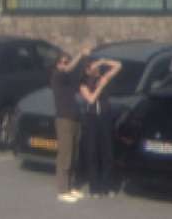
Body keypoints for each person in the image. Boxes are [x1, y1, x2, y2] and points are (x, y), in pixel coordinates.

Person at [78, 52, 122, 199]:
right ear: (87, 70)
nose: (96, 70)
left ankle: (107, 185)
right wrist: (100, 88)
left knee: (107, 151)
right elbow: (90, 100)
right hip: (91, 118)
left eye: (97, 68)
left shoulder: (102, 77)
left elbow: (118, 66)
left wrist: (104, 61)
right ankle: (94, 187)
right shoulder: (84, 84)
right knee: (92, 152)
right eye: (93, 67)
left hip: (104, 116)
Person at [49, 48, 87, 202]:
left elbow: (77, 72)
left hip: (75, 118)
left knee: (74, 155)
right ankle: (62, 190)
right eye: (62, 62)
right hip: (64, 119)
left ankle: (71, 187)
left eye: (66, 61)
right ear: (57, 64)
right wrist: (80, 54)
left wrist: (85, 60)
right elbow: (71, 68)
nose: (65, 64)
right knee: (65, 155)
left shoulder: (69, 79)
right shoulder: (57, 76)